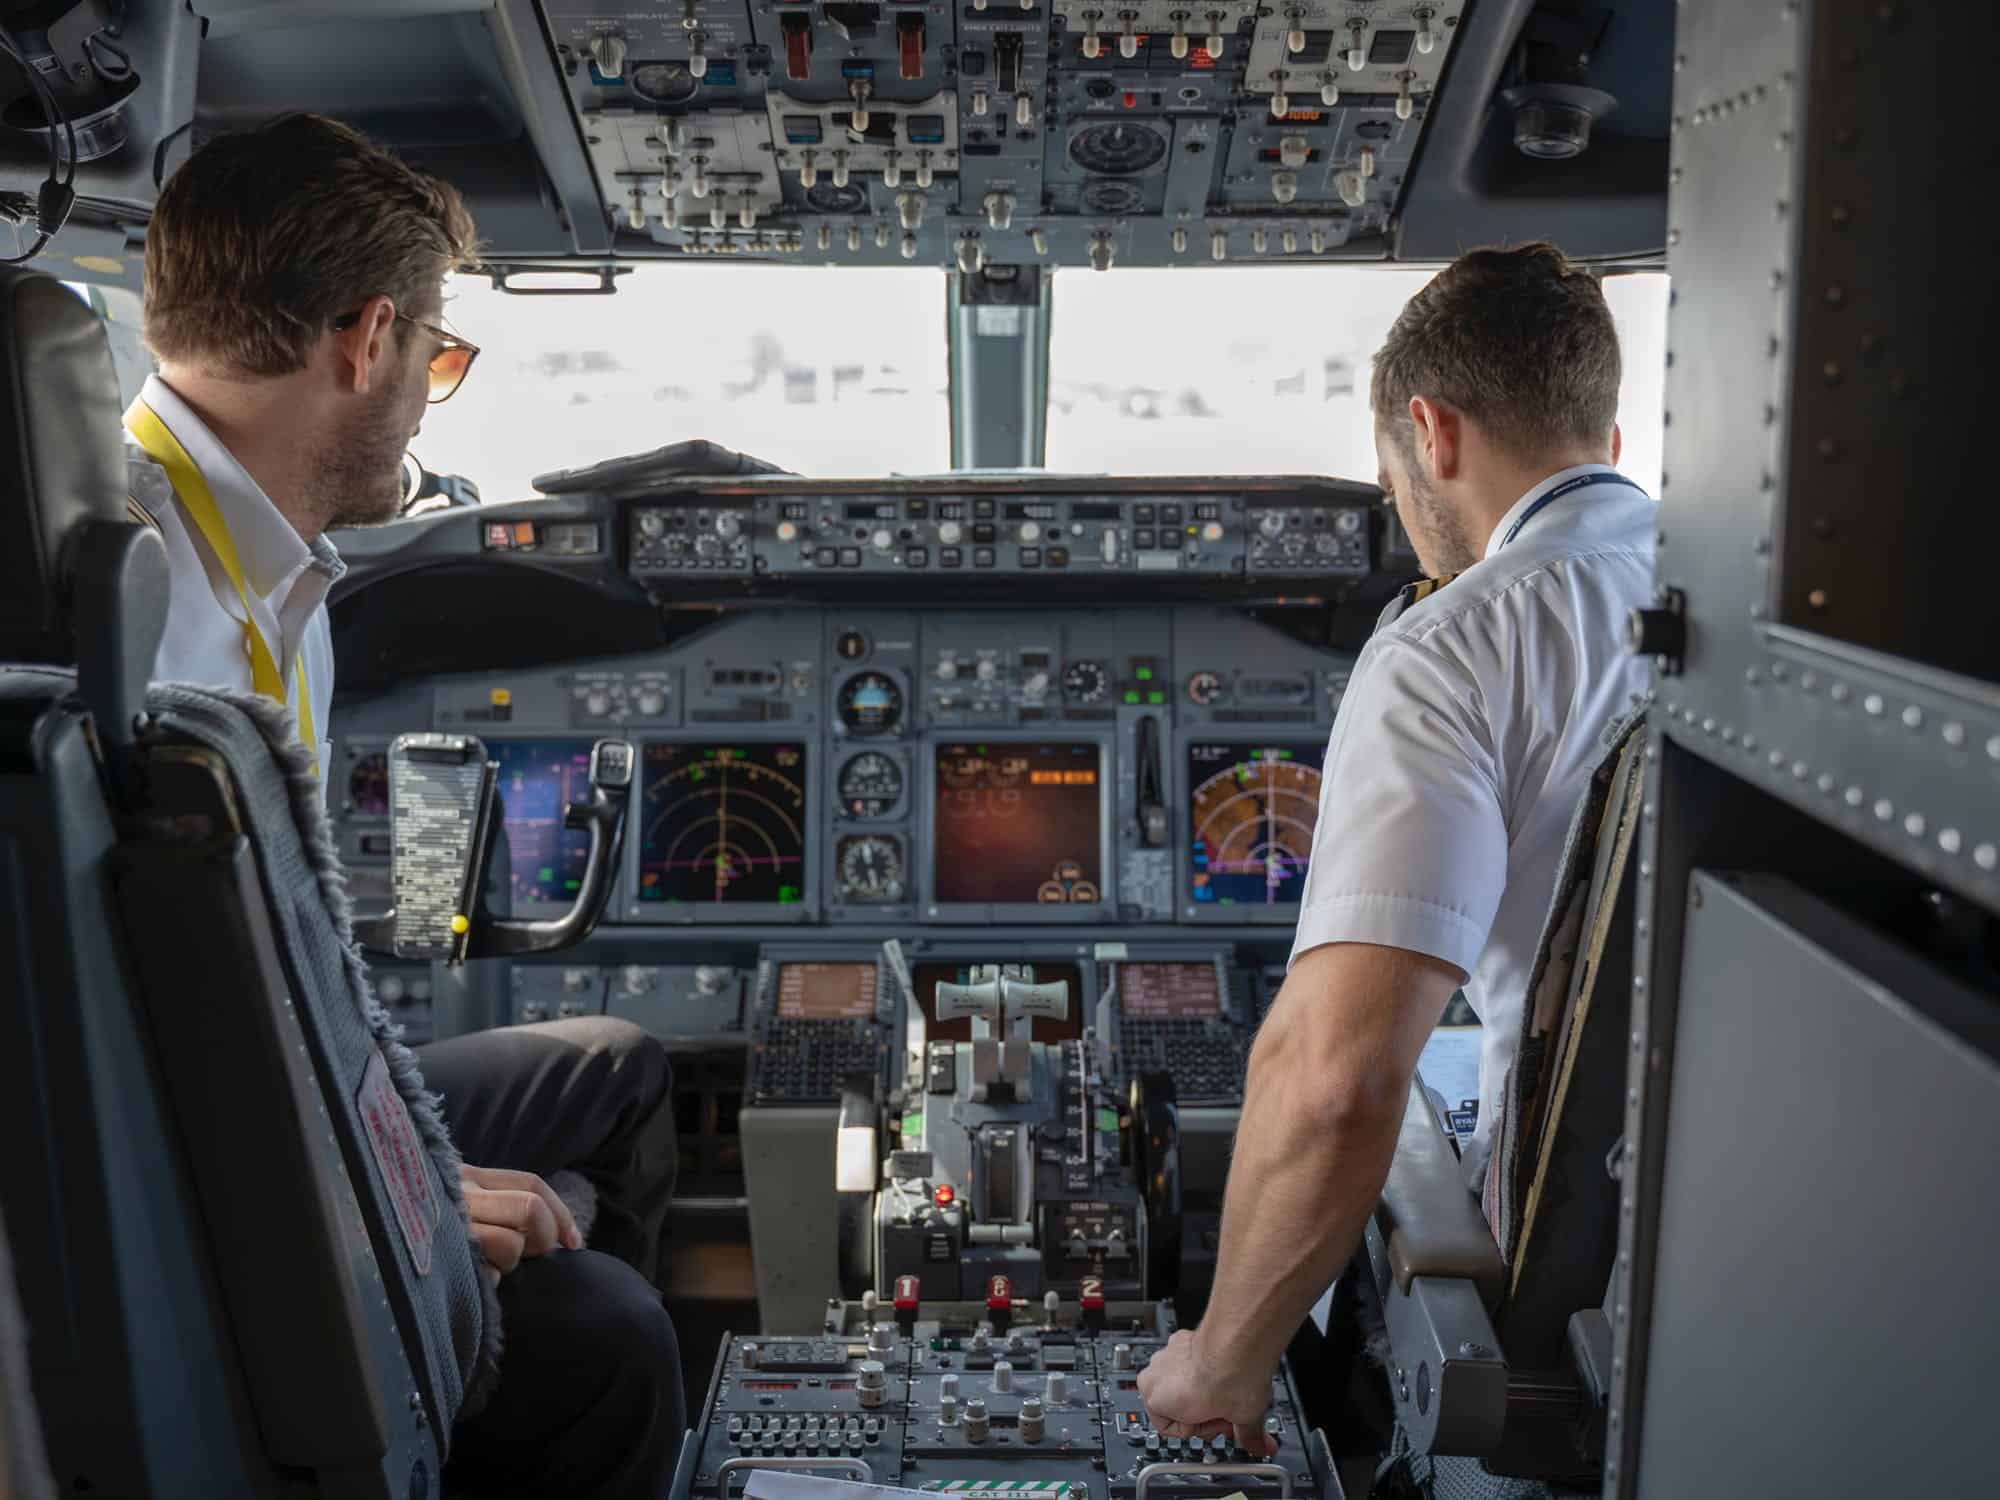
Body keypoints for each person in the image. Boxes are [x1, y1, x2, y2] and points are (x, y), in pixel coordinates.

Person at [129, 112, 684, 1499]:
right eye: (441, 354)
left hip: (271, 1077)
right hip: (189, 1158)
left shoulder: (261, 571)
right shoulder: (137, 609)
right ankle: (472, 1389)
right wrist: (400, 1202)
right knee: (613, 1335)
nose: (435, 394)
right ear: (365, 342)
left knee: (613, 1069)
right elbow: (150, 1053)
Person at [1138, 244, 1655, 1453]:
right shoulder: (1757, 602)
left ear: (1429, 435)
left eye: (1387, 484)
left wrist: (1217, 1365)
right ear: (1608, 443)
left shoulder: (1455, 643)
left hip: (1561, 1279)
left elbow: (1338, 1081)